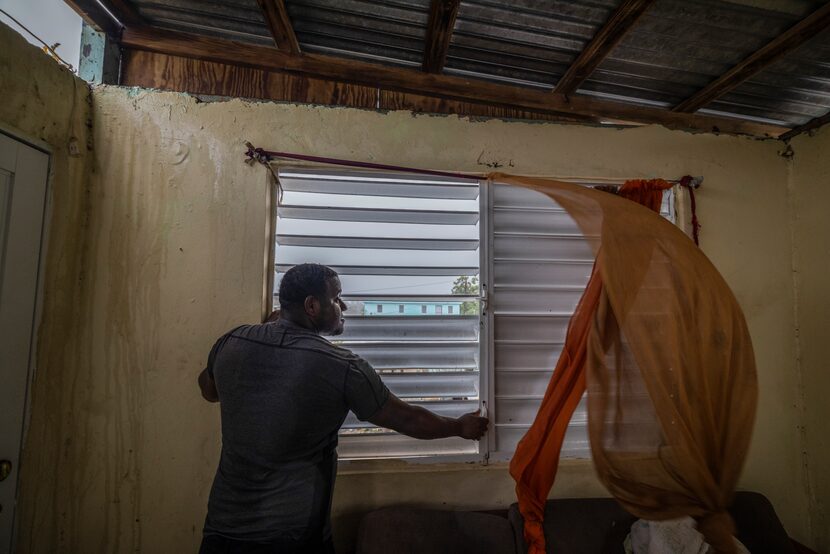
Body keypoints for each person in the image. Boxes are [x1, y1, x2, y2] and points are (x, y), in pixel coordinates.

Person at [197, 263, 488, 553]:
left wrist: (268, 337)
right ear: (312, 305)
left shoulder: (232, 342)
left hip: (221, 531)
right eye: (337, 298)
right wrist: (459, 427)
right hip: (293, 536)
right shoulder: (342, 367)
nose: (344, 306)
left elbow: (209, 391)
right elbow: (407, 419)